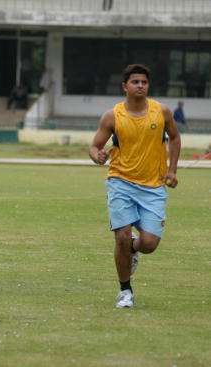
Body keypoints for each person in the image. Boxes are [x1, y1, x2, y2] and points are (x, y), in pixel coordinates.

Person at [89, 64, 180, 309]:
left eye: (144, 82)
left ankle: (134, 249)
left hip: (153, 186)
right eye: (135, 82)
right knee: (121, 236)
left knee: (149, 244)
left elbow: (175, 137)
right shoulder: (112, 116)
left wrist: (172, 170)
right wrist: (97, 155)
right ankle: (125, 291)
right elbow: (95, 145)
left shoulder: (162, 112)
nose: (140, 85)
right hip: (120, 182)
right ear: (125, 86)